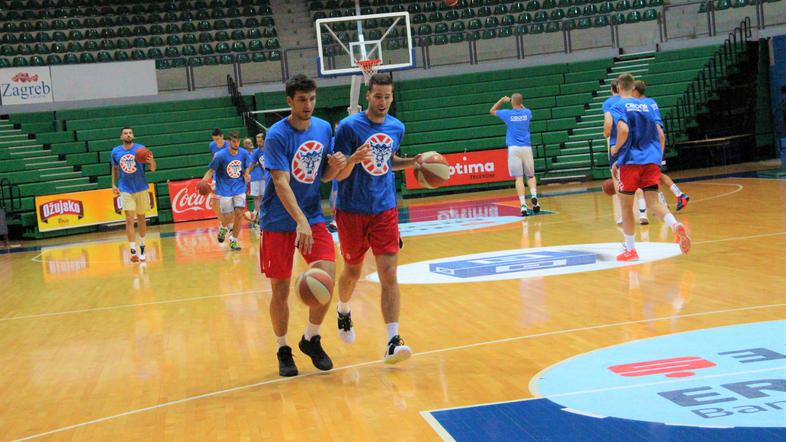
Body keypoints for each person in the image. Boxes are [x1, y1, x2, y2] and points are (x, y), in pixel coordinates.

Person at [260, 74, 347, 377]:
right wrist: (299, 222)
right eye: (301, 100)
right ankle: (283, 348)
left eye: (312, 99)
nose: (308, 105)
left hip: (310, 215)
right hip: (278, 220)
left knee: (326, 275)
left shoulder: (323, 128)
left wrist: (334, 168)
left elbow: (320, 175)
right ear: (290, 101)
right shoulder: (277, 135)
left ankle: (311, 338)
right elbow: (281, 182)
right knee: (281, 289)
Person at [332, 73, 419, 364]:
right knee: (353, 272)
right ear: (368, 96)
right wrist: (353, 160)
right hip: (351, 209)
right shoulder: (348, 127)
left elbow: (388, 160)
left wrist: (412, 162)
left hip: (384, 208)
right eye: (378, 96)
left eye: (387, 96)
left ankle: (393, 340)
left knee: (389, 274)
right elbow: (338, 173)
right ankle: (343, 310)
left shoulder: (397, 127)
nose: (383, 102)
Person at [609, 73, 691, 261]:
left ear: (620, 88)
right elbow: (661, 135)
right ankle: (675, 225)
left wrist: (615, 148)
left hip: (630, 161)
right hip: (651, 160)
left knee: (626, 206)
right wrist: (657, 157)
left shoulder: (618, 106)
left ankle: (631, 250)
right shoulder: (648, 105)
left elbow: (623, 130)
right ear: (633, 87)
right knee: (654, 203)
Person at [632, 80, 690, 211]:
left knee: (652, 176)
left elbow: (658, 130)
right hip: (655, 142)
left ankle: (665, 203)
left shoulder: (642, 105)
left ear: (635, 90)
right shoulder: (650, 101)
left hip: (653, 143)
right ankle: (679, 195)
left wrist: (659, 151)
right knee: (657, 175)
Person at [111, 127, 156, 263]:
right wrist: (113, 184)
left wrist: (152, 160)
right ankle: (132, 248)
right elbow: (114, 168)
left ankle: (142, 244)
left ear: (133, 135)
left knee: (142, 218)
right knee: (129, 219)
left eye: (130, 133)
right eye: (125, 133)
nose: (128, 135)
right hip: (125, 189)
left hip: (141, 187)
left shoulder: (141, 149)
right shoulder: (115, 151)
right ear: (121, 137)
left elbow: (153, 169)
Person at [490, 93, 540, 217]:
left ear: (512, 101)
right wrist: (518, 102)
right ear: (521, 102)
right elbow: (523, 108)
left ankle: (523, 206)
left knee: (518, 178)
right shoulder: (527, 112)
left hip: (513, 149)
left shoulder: (508, 114)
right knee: (531, 176)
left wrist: (501, 100)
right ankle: (534, 196)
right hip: (526, 148)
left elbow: (492, 110)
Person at [201, 131, 251, 251]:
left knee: (239, 214)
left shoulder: (243, 153)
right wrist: (202, 182)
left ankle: (233, 240)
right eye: (233, 141)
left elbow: (247, 165)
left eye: (238, 141)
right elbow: (211, 170)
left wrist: (247, 174)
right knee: (228, 216)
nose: (236, 143)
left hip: (239, 187)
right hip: (224, 189)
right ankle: (223, 227)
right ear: (229, 142)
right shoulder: (220, 155)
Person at [245, 134, 267, 225]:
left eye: (260, 141)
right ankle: (259, 214)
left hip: (273, 175)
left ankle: (258, 213)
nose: (258, 143)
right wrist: (247, 174)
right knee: (258, 196)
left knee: (264, 196)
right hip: (264, 176)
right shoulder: (256, 152)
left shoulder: (270, 149)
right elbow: (252, 164)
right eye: (257, 141)